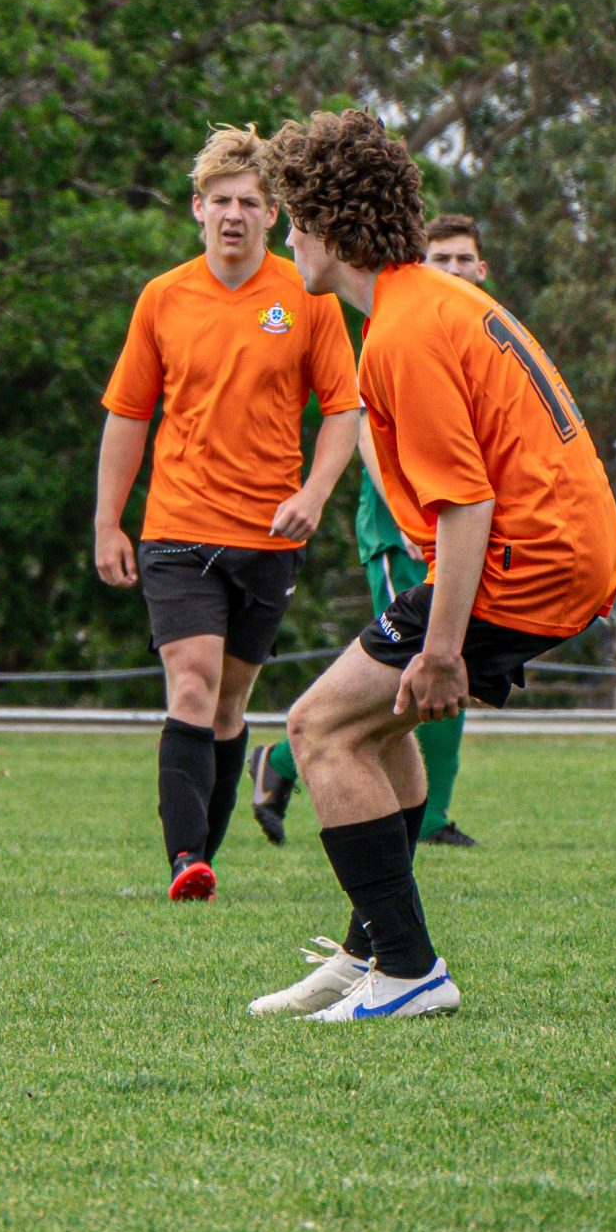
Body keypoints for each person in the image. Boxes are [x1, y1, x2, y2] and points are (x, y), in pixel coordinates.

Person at [248, 112, 616, 1021]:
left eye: (293, 217)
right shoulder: (428, 303)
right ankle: (364, 953)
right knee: (377, 728)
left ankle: (410, 971)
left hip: (526, 560)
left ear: (330, 229)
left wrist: (443, 647)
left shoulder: (403, 332)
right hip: (559, 551)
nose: (287, 234)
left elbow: (469, 504)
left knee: (318, 729)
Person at [94, 126, 362, 901]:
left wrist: (313, 496)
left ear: (273, 214)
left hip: (268, 535)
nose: (234, 214)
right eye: (220, 202)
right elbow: (127, 414)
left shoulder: (305, 298)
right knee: (192, 683)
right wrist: (109, 521)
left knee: (230, 702)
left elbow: (343, 409)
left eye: (249, 201)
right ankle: (185, 861)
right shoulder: (163, 298)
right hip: (177, 529)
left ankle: (202, 859)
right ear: (196, 210)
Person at [251, 214, 495, 848]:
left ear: (482, 269)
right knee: (412, 670)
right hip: (404, 534)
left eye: (464, 259)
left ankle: (295, 765)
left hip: (457, 527)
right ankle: (293, 760)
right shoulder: (395, 328)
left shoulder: (462, 327)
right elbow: (366, 431)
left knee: (438, 671)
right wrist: (413, 518)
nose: (453, 269)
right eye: (440, 257)